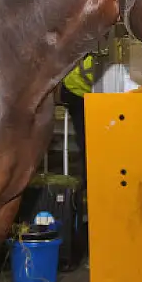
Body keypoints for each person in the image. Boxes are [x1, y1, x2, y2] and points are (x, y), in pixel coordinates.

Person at [59, 51, 97, 189]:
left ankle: (89, 184)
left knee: (88, 142)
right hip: (76, 93)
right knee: (88, 142)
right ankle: (89, 185)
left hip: (78, 91)